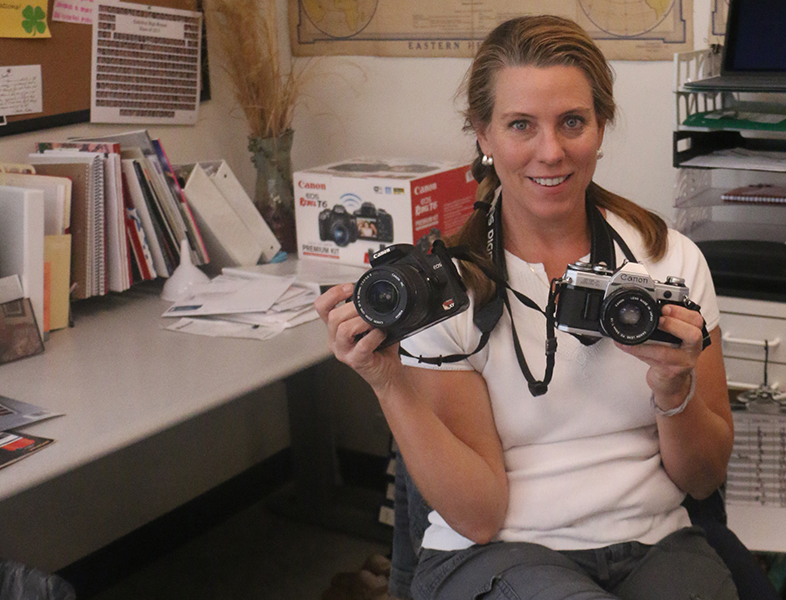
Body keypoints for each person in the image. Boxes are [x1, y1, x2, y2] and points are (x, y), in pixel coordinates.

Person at [315, 14, 737, 600]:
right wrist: (388, 382)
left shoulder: (669, 262)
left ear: (601, 125)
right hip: (496, 552)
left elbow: (704, 477)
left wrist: (673, 387)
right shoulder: (448, 288)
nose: (551, 151)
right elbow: (480, 514)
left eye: (572, 122)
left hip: (654, 541)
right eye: (521, 125)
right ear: (483, 136)